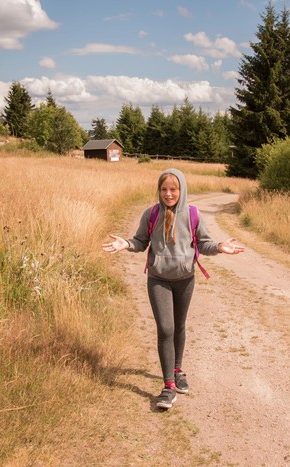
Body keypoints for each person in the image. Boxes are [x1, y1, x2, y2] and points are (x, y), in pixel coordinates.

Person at [102, 168, 245, 409]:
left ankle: (178, 370)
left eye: (173, 189)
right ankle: (168, 386)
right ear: (159, 190)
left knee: (179, 325)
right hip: (158, 279)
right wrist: (125, 243)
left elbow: (204, 243)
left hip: (185, 279)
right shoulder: (151, 214)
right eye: (164, 189)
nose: (168, 194)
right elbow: (140, 241)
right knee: (166, 328)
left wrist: (219, 247)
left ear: (182, 190)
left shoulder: (193, 214)